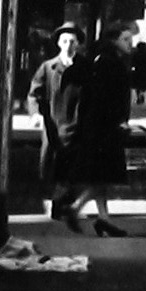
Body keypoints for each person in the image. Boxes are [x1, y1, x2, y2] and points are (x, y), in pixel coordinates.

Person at [56, 20, 137, 237]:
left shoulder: (107, 59)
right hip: (103, 128)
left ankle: (103, 218)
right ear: (113, 40)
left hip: (99, 126)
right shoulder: (109, 62)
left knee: (101, 176)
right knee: (102, 174)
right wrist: (118, 120)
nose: (130, 44)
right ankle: (76, 207)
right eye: (126, 40)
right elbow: (104, 97)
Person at [29, 24, 84, 209]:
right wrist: (36, 114)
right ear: (59, 43)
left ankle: (63, 203)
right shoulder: (48, 67)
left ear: (78, 44)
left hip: (76, 122)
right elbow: (34, 93)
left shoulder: (84, 67)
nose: (68, 45)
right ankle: (55, 201)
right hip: (53, 122)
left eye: (72, 41)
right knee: (51, 163)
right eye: (65, 41)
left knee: (72, 164)